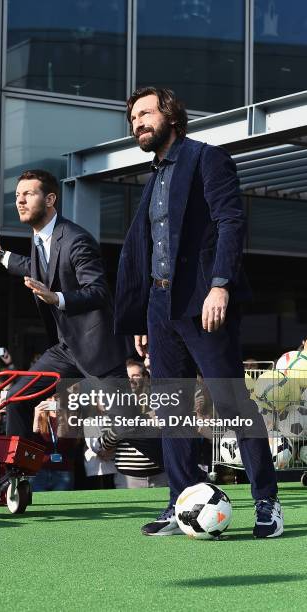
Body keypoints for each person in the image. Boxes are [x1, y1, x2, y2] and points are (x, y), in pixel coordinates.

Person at [114, 86, 282, 538]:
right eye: (133, 119)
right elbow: (147, 250)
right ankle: (180, 501)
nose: (138, 124)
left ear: (170, 115)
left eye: (145, 114)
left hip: (204, 303)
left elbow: (231, 221)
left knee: (230, 400)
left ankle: (267, 501)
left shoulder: (207, 158)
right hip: (160, 306)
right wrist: (142, 318)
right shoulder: (151, 180)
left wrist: (220, 284)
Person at [0, 169, 130, 443]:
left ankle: (189, 473)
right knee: (16, 398)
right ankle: (18, 478)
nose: (20, 201)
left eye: (28, 194)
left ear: (50, 199)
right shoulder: (40, 238)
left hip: (98, 349)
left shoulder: (75, 239)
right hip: (66, 349)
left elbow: (98, 292)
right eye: (17, 196)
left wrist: (56, 298)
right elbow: (34, 267)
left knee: (130, 428)